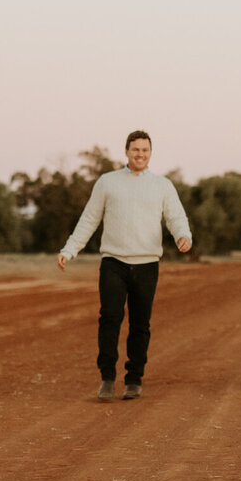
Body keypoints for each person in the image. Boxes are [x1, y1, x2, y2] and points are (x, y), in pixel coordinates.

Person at [58, 130, 192, 402]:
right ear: (126, 152)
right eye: (135, 150)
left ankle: (134, 379)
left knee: (140, 324)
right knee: (110, 317)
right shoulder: (107, 183)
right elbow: (89, 220)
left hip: (147, 264)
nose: (139, 154)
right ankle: (107, 378)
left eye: (144, 150)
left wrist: (183, 235)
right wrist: (69, 249)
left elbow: (176, 217)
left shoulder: (163, 185)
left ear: (150, 153)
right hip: (113, 263)